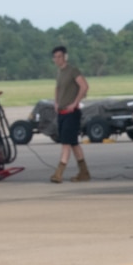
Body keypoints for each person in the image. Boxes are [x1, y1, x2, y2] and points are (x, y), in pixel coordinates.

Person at [49, 45, 90, 183]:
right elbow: (57, 87)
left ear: (65, 57)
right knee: (73, 143)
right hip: (61, 112)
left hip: (71, 113)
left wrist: (75, 103)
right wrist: (56, 102)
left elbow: (84, 86)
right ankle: (84, 172)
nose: (57, 59)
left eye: (60, 56)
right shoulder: (59, 73)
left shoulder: (72, 71)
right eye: (55, 57)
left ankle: (59, 173)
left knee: (65, 143)